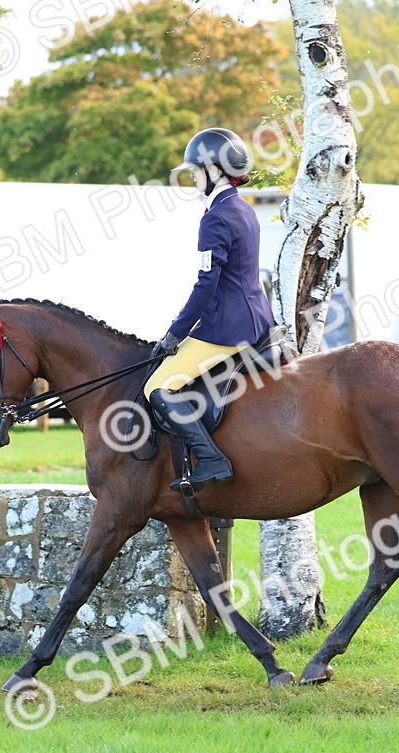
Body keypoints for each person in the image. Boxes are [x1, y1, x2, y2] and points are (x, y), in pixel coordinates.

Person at [143, 127, 275, 495]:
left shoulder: (215, 218)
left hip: (229, 328)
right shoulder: (242, 209)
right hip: (256, 317)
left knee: (158, 385)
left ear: (215, 170)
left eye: (196, 170)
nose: (193, 177)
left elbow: (206, 285)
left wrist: (175, 333)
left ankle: (212, 459)